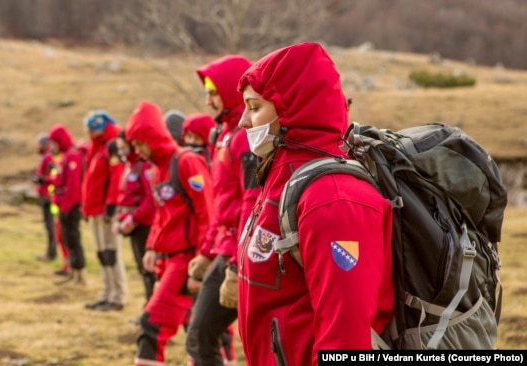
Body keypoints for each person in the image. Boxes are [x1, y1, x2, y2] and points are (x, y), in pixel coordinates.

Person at [234, 42, 395, 365]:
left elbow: (346, 338)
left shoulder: (334, 199)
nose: (242, 122)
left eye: (254, 107)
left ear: (291, 107)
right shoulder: (280, 180)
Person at [125, 101, 214, 366]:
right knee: (195, 329)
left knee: (151, 324)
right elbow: (162, 214)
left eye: (141, 144)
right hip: (168, 259)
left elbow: (207, 215)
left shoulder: (186, 162)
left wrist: (201, 266)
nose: (138, 152)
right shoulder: (155, 170)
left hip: (186, 261)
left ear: (153, 137)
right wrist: (152, 246)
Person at [185, 55, 260, 366]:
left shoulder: (243, 138)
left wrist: (234, 265)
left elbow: (251, 202)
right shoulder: (225, 135)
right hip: (226, 249)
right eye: (207, 93)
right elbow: (222, 204)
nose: (208, 100)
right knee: (201, 337)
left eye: (214, 92)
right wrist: (205, 250)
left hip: (238, 253)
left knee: (201, 336)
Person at [80, 109, 127, 312]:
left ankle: (118, 295)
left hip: (106, 209)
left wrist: (111, 205)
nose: (91, 132)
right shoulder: (96, 147)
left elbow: (117, 177)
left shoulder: (111, 146)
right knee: (101, 253)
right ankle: (106, 292)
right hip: (94, 209)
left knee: (111, 252)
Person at [114, 129, 157, 303]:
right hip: (133, 224)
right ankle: (148, 307)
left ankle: (152, 309)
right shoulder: (129, 165)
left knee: (149, 270)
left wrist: (133, 218)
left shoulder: (144, 166)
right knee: (142, 269)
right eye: (119, 149)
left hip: (144, 224)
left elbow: (150, 198)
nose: (122, 152)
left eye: (124, 148)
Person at [47, 124, 86, 285]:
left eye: (55, 142)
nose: (53, 147)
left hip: (72, 206)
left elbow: (72, 185)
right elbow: (61, 181)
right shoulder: (64, 157)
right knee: (67, 240)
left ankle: (80, 276)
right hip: (64, 205)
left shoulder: (72, 157)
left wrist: (66, 207)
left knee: (74, 239)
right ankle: (72, 272)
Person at [33, 132, 57, 262]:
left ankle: (51, 253)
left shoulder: (48, 158)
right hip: (44, 194)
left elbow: (54, 175)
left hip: (48, 197)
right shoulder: (44, 157)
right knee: (49, 225)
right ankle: (50, 252)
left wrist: (43, 180)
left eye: (38, 144)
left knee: (50, 226)